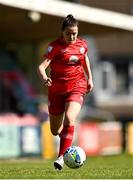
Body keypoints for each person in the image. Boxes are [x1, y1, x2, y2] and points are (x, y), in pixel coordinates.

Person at [38, 14, 93, 170]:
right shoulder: (54, 47)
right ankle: (66, 139)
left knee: (69, 117)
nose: (72, 36)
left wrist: (90, 78)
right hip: (56, 90)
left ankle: (61, 157)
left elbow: (85, 57)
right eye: (68, 33)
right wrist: (44, 77)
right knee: (55, 131)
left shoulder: (82, 44)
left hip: (77, 86)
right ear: (62, 32)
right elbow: (42, 66)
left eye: (74, 33)